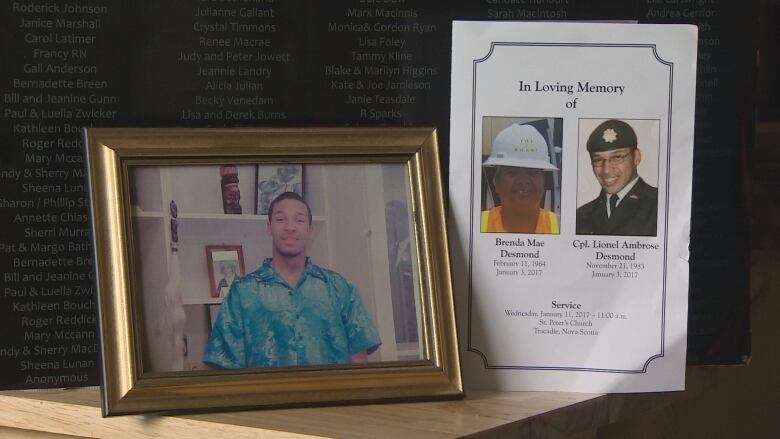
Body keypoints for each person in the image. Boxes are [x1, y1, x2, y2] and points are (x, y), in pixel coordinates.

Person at [203, 192, 381, 369]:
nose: (290, 227)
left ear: (310, 230)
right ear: (269, 227)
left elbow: (358, 359)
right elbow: (223, 364)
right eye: (281, 220)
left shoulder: (338, 288)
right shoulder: (242, 292)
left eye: (299, 220)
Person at [576, 119, 658, 236]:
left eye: (617, 158)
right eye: (598, 160)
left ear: (636, 157)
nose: (606, 170)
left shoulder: (659, 205)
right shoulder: (582, 215)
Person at [481, 123, 560, 233]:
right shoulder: (477, 225)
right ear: (496, 182)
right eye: (513, 172)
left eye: (532, 172)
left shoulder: (561, 226)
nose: (524, 181)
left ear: (544, 182)